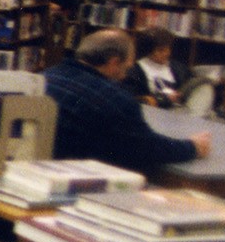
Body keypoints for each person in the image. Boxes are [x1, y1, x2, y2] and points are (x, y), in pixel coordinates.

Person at [43, 28, 210, 171]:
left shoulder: (45, 76)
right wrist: (192, 147)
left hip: (39, 169)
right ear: (114, 62)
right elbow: (146, 147)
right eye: (126, 68)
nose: (124, 76)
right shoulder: (115, 99)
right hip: (78, 178)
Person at [121, 26, 198, 109]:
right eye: (161, 50)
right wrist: (162, 100)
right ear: (148, 51)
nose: (167, 53)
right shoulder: (134, 71)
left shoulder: (179, 68)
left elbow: (193, 89)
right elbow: (130, 99)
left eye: (168, 49)